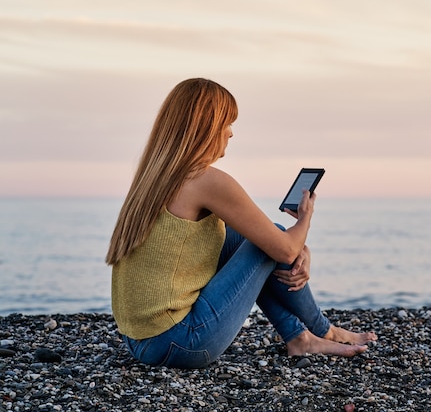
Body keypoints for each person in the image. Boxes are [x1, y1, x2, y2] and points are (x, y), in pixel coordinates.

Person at [105, 78, 377, 369]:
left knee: (243, 237)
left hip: (139, 342)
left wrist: (299, 246)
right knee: (269, 242)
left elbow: (271, 241)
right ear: (206, 128)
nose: (231, 133)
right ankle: (326, 331)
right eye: (226, 123)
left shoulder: (153, 178)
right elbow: (283, 251)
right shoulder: (205, 181)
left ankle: (299, 337)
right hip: (181, 344)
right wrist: (304, 219)